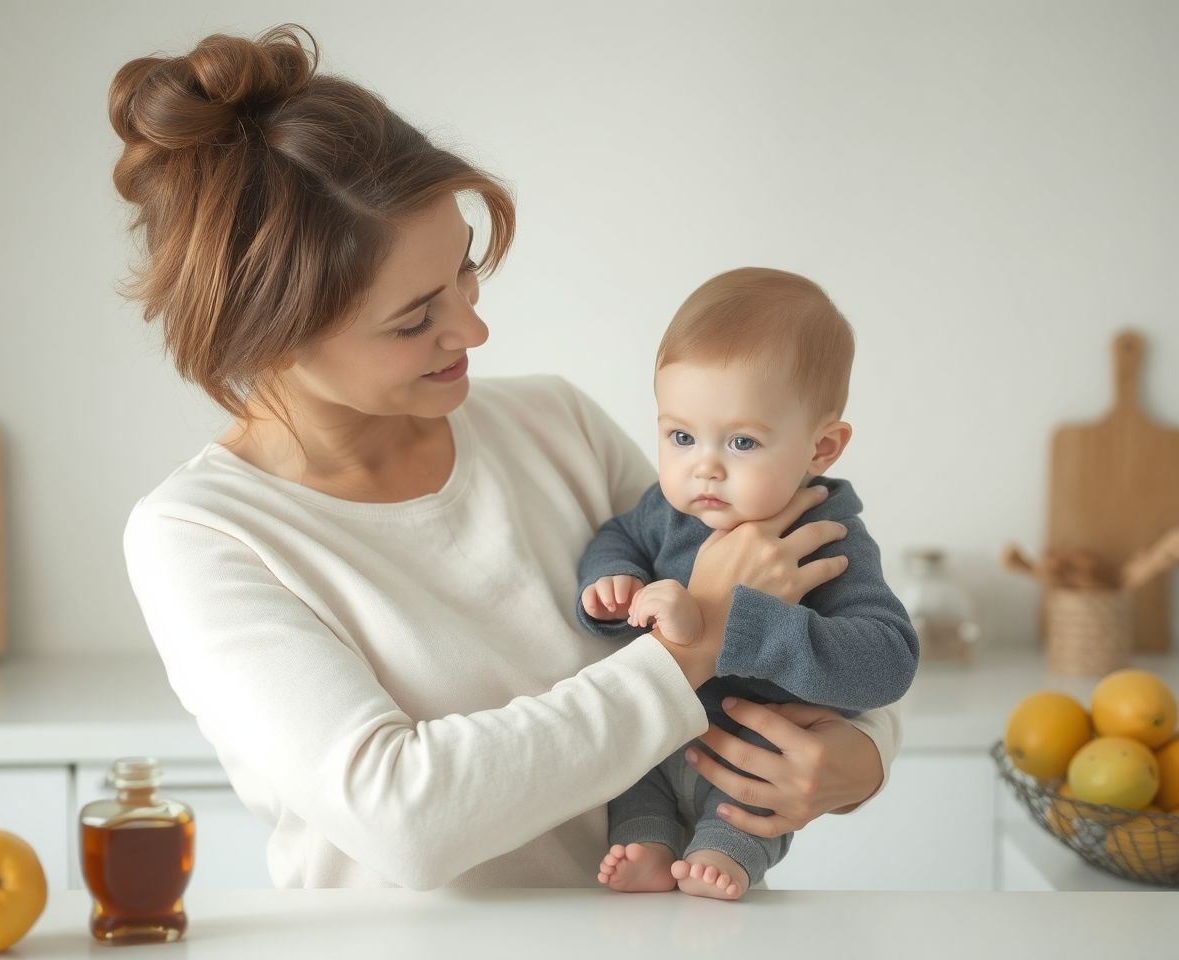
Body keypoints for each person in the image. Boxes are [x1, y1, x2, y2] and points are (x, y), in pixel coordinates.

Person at [112, 24, 904, 891]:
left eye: (465, 269)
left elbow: (820, 609)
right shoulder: (202, 535)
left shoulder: (553, 425)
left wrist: (862, 757)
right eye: (415, 318)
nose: (473, 329)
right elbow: (406, 819)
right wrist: (690, 646)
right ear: (269, 336)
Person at [578, 268, 919, 900]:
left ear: (822, 447)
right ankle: (649, 843)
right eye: (681, 436)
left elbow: (888, 661)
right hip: (657, 735)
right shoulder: (668, 509)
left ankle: (726, 857)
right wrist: (613, 580)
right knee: (630, 774)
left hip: (751, 750)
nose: (703, 466)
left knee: (744, 804)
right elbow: (618, 536)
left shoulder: (829, 538)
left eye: (741, 441)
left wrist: (740, 627)